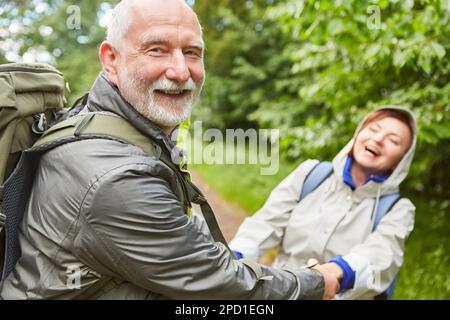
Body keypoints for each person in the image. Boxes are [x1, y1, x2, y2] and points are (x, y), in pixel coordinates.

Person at [0, 0, 340, 299]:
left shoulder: (96, 118)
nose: (180, 72)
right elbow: (221, 284)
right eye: (156, 50)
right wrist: (315, 283)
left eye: (192, 53)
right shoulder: (116, 179)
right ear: (111, 60)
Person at [230, 106, 417, 299]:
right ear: (358, 134)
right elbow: (266, 222)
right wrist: (235, 256)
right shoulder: (310, 174)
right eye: (374, 129)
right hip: (282, 292)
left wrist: (333, 273)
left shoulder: (399, 209)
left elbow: (379, 255)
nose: (377, 139)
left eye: (393, 140)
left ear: (401, 160)